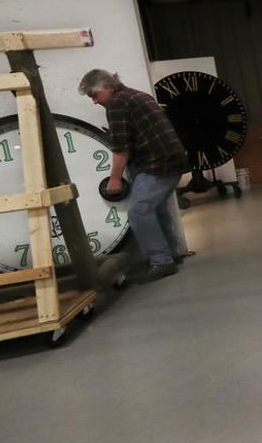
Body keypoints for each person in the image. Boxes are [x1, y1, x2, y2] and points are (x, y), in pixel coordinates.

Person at [78, 69, 188, 283]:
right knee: (156, 210)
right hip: (171, 161)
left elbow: (121, 148)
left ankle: (161, 261)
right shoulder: (136, 95)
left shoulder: (117, 103)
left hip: (157, 164)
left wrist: (115, 179)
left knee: (139, 211)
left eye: (94, 95)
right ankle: (171, 255)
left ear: (107, 87)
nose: (94, 101)